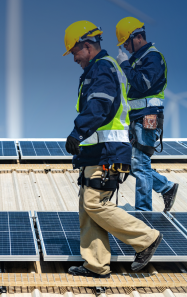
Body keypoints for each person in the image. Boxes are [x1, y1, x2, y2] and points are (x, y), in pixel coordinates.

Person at [63, 20, 163, 278]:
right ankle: (96, 264)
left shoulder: (103, 68)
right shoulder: (98, 69)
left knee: (95, 204)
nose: (74, 58)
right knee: (87, 206)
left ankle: (146, 238)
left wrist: (78, 132)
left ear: (86, 46)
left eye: (74, 52)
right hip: (96, 153)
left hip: (108, 151)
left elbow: (100, 105)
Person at [116, 17, 178, 212]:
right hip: (137, 118)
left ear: (138, 37)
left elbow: (143, 84)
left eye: (126, 41)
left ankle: (143, 213)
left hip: (148, 117)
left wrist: (125, 66)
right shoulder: (137, 60)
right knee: (134, 164)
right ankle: (166, 187)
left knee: (140, 165)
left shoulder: (152, 57)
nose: (125, 46)